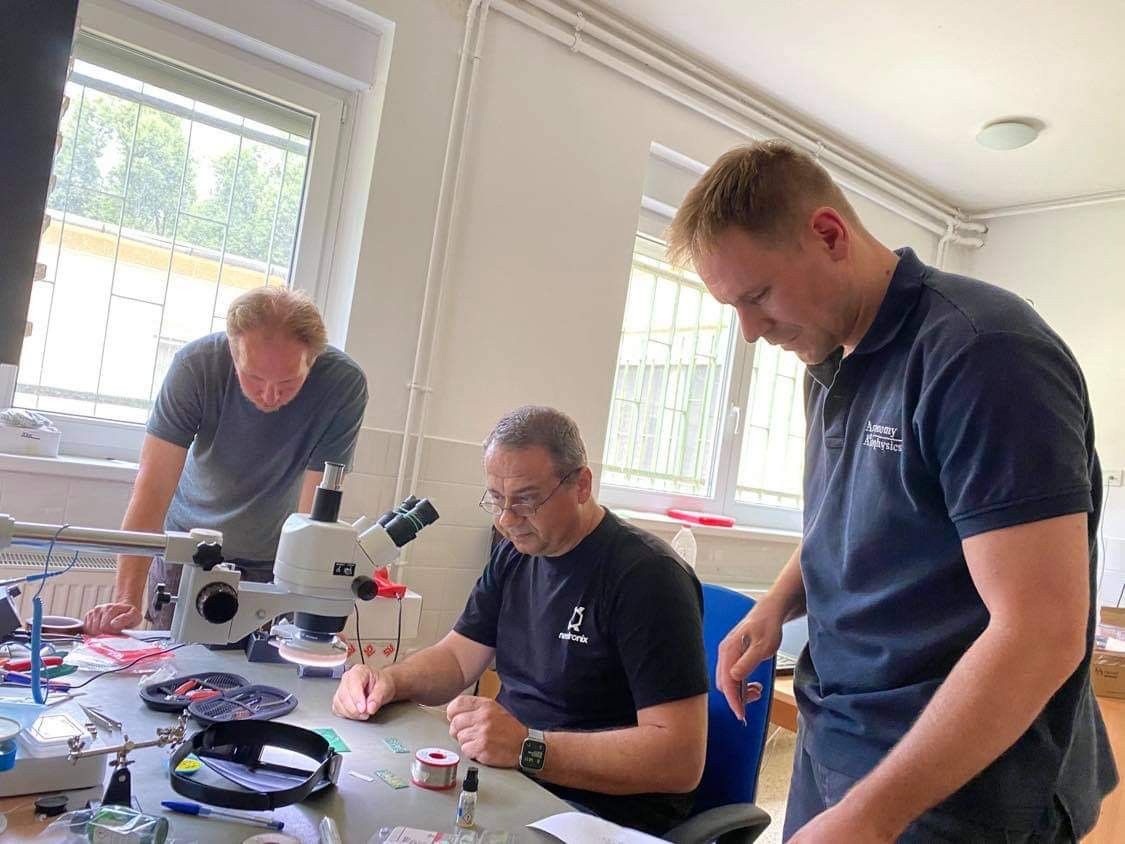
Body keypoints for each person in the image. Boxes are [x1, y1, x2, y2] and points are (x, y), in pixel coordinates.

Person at [667, 140, 1117, 842]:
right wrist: (776, 604)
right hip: (842, 740)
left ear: (828, 234)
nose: (750, 332)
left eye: (757, 297)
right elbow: (861, 516)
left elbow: (1041, 632)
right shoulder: (827, 354)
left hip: (964, 780)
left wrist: (869, 817)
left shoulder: (982, 353)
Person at [332, 406, 709, 835]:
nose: (508, 519)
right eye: (496, 499)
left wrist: (530, 748)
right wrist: (388, 682)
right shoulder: (515, 553)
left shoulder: (647, 577)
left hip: (602, 815)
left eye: (527, 500)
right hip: (516, 780)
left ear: (582, 485)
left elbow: (679, 760)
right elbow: (457, 659)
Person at [83, 287, 368, 634]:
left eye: (288, 382)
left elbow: (314, 514)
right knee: (171, 675)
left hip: (277, 564)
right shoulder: (196, 366)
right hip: (188, 555)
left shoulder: (343, 385)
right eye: (254, 377)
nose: (269, 395)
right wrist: (126, 599)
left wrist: (307, 609)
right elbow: (152, 488)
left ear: (313, 359)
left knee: (269, 681)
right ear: (233, 351)